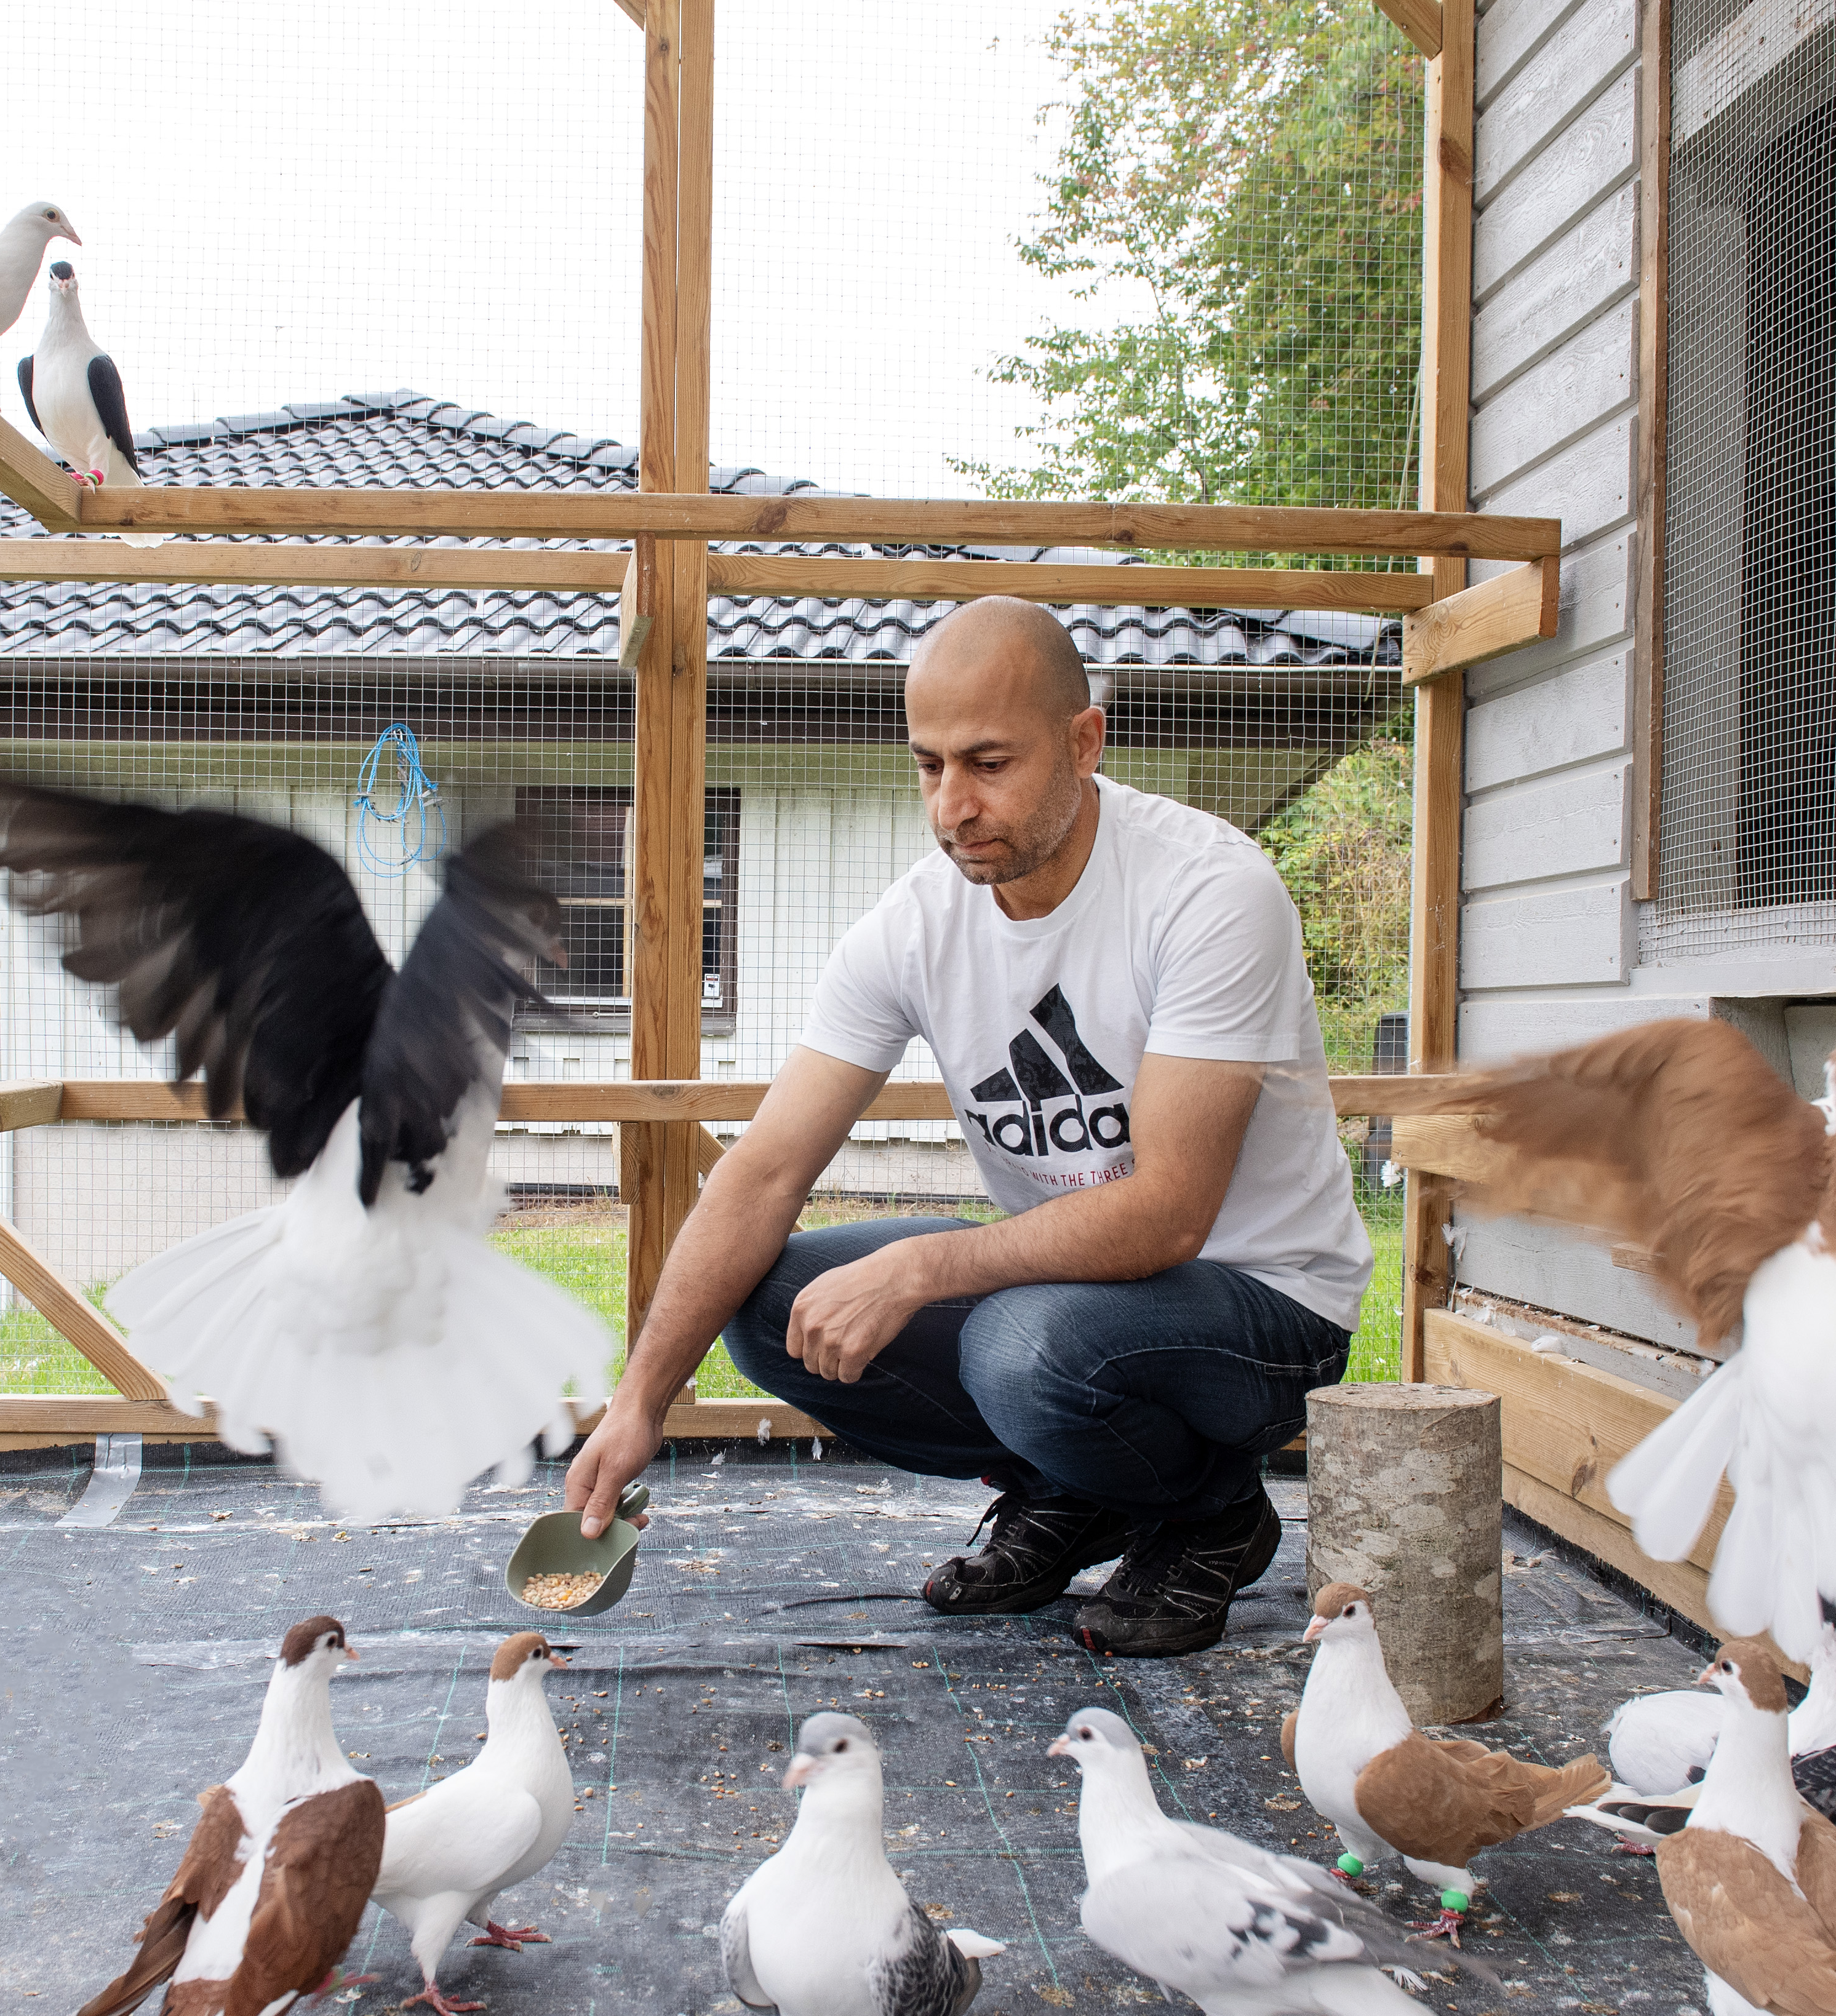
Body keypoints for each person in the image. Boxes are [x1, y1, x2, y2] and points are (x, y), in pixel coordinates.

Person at [562, 596, 1368, 1657]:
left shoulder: (1208, 893)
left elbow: (1171, 1212)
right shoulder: (912, 927)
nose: (954, 807)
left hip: (1264, 1305)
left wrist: (922, 1268)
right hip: (1075, 1304)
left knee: (1020, 1347)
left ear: (1086, 741)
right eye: (930, 766)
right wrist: (640, 1400)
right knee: (771, 1304)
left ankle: (1212, 1516)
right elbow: (760, 1174)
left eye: (990, 763)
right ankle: (1074, 1492)